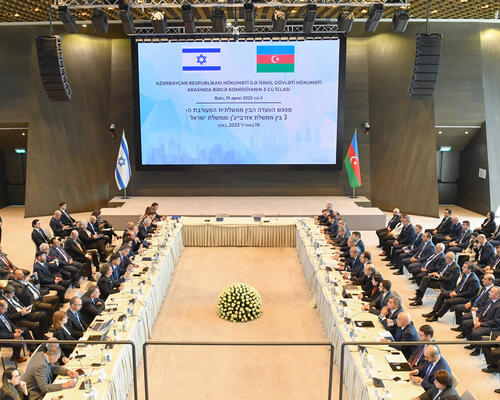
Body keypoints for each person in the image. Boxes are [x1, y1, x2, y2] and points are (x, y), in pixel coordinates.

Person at [460, 286, 500, 355]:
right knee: (465, 323)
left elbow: (496, 322)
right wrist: (478, 317)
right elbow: (483, 311)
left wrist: (481, 324)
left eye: (491, 292)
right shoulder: (489, 300)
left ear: (497, 295)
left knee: (476, 332)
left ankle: (478, 350)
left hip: (491, 326)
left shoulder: (499, 306)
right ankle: (473, 343)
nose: (489, 293)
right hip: (482, 320)